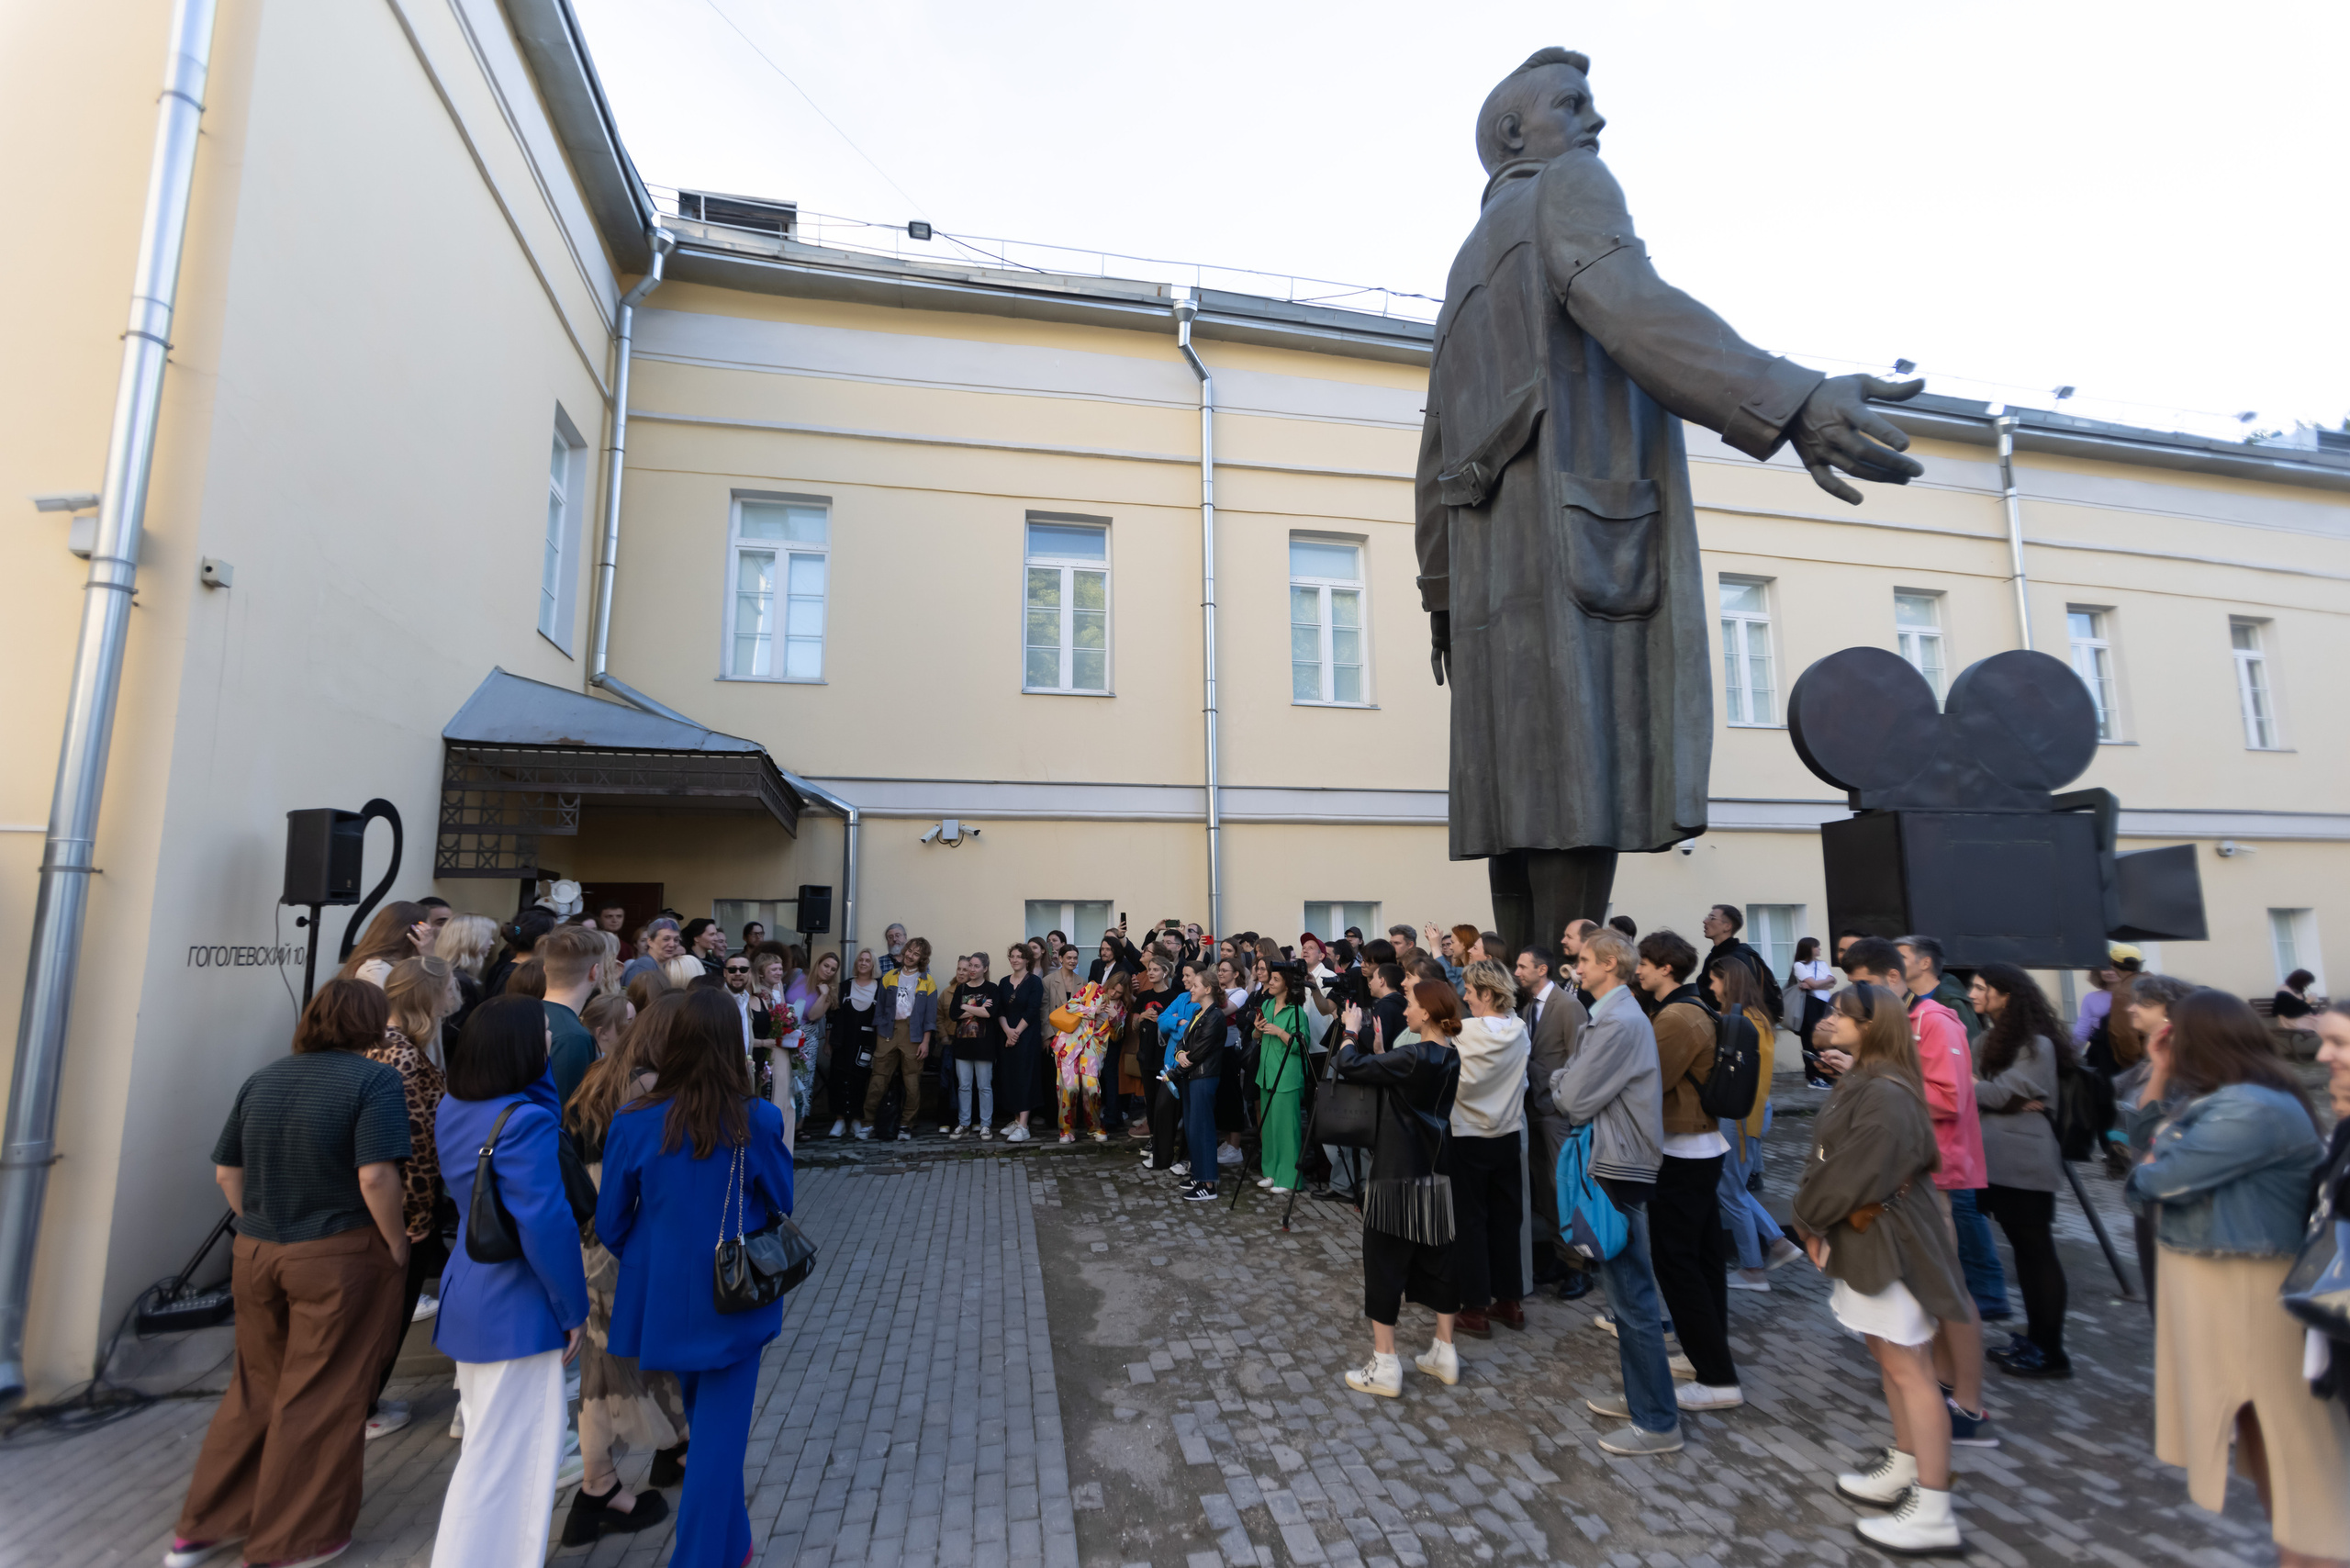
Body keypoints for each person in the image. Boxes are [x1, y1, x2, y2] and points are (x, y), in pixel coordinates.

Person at [164, 982, 410, 1568]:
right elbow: (375, 1175)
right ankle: (293, 1540)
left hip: (257, 1249)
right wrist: (396, 1242)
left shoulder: (265, 1077)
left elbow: (228, 1172)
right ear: (371, 1024)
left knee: (255, 1387)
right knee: (323, 1393)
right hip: (338, 1252)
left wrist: (261, 1224)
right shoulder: (374, 1080)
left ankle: (204, 1527)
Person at [2126, 991, 2347, 1565]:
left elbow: (2150, 1182)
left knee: (2296, 1452)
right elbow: (2136, 1158)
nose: (2327, 1057)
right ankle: (2294, 1553)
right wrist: (2160, 1073)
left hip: (2249, 1293)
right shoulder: (2225, 1098)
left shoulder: (2251, 1107)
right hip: (2227, 1291)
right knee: (2263, 1437)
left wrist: (2154, 1153)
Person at [598, 990, 796, 1568]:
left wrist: (658, 1257)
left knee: (706, 1426)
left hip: (662, 1296)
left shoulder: (633, 1120)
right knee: (716, 1443)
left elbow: (611, 1221)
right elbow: (782, 1197)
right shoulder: (754, 1117)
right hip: (734, 1292)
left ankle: (732, 1545)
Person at [1795, 982, 1975, 1556]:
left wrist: (1807, 1219)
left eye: (1840, 1014)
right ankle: (1905, 1464)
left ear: (1869, 1026)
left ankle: (1934, 1508)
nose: (1830, 1019)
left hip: (1886, 1238)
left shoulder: (1887, 1094)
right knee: (1888, 1358)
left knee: (1909, 1367)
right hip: (1867, 1235)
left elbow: (1855, 1173)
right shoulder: (1871, 1080)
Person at [429, 994, 591, 1568]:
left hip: (470, 1291)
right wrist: (573, 1308)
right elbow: (546, 1223)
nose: (551, 1039)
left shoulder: (458, 1104)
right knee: (510, 1457)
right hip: (516, 1303)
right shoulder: (524, 1122)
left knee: (491, 1443)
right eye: (542, 1033)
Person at [1842, 937, 1995, 1446]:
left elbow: (1949, 1096)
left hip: (1939, 1172)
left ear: (1891, 980)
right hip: (1912, 1172)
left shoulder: (1934, 1020)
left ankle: (1968, 1405)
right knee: (1932, 1291)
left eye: (1863, 983)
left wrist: (1869, 1078)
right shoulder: (1905, 1023)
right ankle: (1943, 1384)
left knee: (1950, 1288)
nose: (1855, 997)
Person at [560, 992, 686, 1548]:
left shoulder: (598, 1076)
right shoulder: (645, 1086)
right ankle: (598, 1487)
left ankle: (670, 1450)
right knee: (611, 1362)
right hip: (620, 1233)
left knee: (614, 1353)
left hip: (591, 1233)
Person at [1550, 929, 1680, 1456]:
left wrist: (1563, 1080)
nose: (1575, 968)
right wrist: (1568, 1078)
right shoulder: (1613, 1016)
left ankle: (1657, 1421)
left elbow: (1573, 1097)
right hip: (1614, 1159)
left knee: (1632, 1297)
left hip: (1618, 1165)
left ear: (1608, 963)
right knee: (1625, 1296)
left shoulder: (1618, 1021)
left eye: (1583, 960)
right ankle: (1643, 1400)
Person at [1632, 930, 1742, 1410]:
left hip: (1685, 1151)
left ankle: (1717, 1378)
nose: (1637, 970)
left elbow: (1647, 1081)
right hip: (1694, 1147)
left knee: (1678, 1263)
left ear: (1666, 969)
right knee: (1701, 1260)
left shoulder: (1677, 1016)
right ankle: (1706, 1355)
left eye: (1644, 964)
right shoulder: (1687, 1009)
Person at [1338, 980, 1465, 1396]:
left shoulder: (1414, 1055)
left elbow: (1349, 1066)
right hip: (1437, 1170)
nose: (1404, 1009)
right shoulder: (1448, 1054)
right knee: (1441, 1256)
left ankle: (1385, 1362)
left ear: (1426, 1012)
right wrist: (1381, 1051)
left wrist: (1350, 1032)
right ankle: (1445, 1351)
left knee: (1383, 1262)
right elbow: (1400, 1077)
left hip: (1397, 1173)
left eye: (1410, 1003)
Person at [361, 956, 456, 1439]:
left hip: (391, 1209)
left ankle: (366, 1399)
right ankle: (361, 1406)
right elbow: (413, 1147)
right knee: (385, 1317)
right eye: (447, 990)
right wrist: (416, 1218)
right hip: (401, 1213)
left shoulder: (386, 1045)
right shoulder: (401, 1055)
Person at [1967, 963, 2074, 1379]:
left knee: (2037, 1253)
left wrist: (1988, 1092)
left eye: (1981, 988)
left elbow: (1988, 1091)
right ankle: (2036, 1339)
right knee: (2023, 1254)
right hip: (1994, 1161)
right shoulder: (1985, 1040)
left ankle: (2051, 1352)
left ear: (2006, 995)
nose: (1973, 994)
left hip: (2026, 1163)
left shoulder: (2036, 1045)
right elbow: (1977, 1093)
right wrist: (1994, 1095)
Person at [1443, 960, 1531, 1338]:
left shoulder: (1464, 1032)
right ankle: (1509, 1301)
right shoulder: (1520, 1028)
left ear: (1488, 994)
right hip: (1508, 1133)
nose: (1464, 997)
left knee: (1471, 1222)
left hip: (1468, 1134)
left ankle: (1475, 1307)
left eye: (1469, 991)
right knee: (1506, 1220)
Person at [1712, 959, 1801, 1289]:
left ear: (1729, 983)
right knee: (1731, 1188)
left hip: (1739, 1117)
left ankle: (1753, 1269)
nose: (1710, 987)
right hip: (1752, 1113)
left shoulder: (1739, 1021)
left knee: (1730, 1191)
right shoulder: (1759, 1018)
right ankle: (1777, 1242)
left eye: (1714, 981)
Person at [1516, 942, 1589, 1298]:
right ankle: (1562, 1257)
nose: (1517, 973)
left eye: (1522, 967)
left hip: (1558, 1112)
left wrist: (1564, 1104)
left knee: (1564, 1188)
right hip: (1533, 1108)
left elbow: (1581, 1059)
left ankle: (1578, 1267)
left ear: (1541, 969)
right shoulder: (1529, 1006)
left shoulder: (1568, 1006)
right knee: (1545, 1190)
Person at [862, 938, 937, 1140]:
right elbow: (879, 1010)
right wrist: (879, 1032)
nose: (910, 955)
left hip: (913, 1034)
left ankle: (906, 1124)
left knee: (912, 1083)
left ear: (922, 958)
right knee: (878, 1080)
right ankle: (868, 1123)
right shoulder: (889, 977)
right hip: (887, 1032)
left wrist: (925, 1041)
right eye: (909, 951)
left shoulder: (927, 981)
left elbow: (931, 1017)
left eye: (916, 954)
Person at [1251, 964, 1310, 1193]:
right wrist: (1257, 1029)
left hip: (1286, 1076)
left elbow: (1301, 1044)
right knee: (1270, 1127)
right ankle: (1272, 1173)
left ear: (1287, 983)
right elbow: (1256, 1036)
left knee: (1287, 1130)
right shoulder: (1266, 1005)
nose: (1271, 982)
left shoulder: (1297, 1012)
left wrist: (1280, 1032)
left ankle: (1289, 1178)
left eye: (1275, 979)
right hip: (1266, 1074)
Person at [539, 924, 608, 1115]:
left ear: (546, 969)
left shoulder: (524, 1015)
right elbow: (566, 1117)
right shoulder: (573, 1037)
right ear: (594, 971)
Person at [1054, 969, 1129, 1142]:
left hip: (1093, 1050)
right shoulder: (1092, 988)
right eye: (1112, 989)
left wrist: (1114, 1020)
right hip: (1070, 1044)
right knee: (1069, 1087)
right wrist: (1092, 1010)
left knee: (1092, 1087)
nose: (1113, 994)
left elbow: (1117, 1037)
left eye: (1119, 992)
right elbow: (1070, 1005)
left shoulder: (1121, 1008)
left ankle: (1095, 1126)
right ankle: (1066, 1129)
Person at [1171, 965, 1226, 1199]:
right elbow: (1182, 1043)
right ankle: (1199, 1174)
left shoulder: (1215, 1016)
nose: (1191, 989)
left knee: (1202, 1128)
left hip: (1203, 1077)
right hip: (1191, 1076)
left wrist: (1182, 1063)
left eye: (1195, 986)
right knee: (1193, 1128)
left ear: (1208, 989)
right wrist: (1179, 1055)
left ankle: (1208, 1184)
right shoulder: (1197, 1014)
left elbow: (1200, 1051)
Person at [998, 943, 1048, 1143]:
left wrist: (1016, 1033)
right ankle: (1016, 1120)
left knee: (1025, 1078)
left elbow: (1032, 1009)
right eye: (1012, 956)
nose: (1015, 960)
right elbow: (999, 1009)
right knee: (1010, 1077)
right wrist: (1007, 1032)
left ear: (1027, 959)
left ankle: (1024, 1126)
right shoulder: (1003, 982)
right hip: (1006, 1034)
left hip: (1026, 1036)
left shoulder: (1035, 982)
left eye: (1019, 956)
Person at [949, 951, 1002, 1140]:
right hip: (962, 1045)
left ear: (985, 969)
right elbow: (953, 1014)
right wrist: (977, 1007)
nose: (972, 969)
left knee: (984, 1086)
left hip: (984, 1046)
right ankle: (964, 1123)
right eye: (970, 965)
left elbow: (990, 1014)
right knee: (963, 1086)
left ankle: (985, 1124)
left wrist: (964, 1006)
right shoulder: (961, 989)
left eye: (976, 966)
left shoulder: (992, 988)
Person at [1699, 904, 1784, 1023]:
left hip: (1737, 1028)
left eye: (1712, 918)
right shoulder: (1717, 955)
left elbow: (1738, 999)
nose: (1705, 921)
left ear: (1727, 926)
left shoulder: (1736, 958)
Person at [829, 950, 880, 1138]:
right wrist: (829, 1042)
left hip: (867, 1043)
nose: (864, 963)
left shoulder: (880, 987)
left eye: (868, 960)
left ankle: (858, 1119)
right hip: (843, 1041)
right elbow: (832, 1016)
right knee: (839, 1079)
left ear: (873, 964)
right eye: (861, 959)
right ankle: (840, 1120)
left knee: (860, 1080)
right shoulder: (844, 986)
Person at [434, 912, 499, 1055]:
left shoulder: (451, 975)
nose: (492, 943)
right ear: (472, 940)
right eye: (488, 938)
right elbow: (453, 1034)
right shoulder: (459, 981)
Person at [1898, 934, 1981, 1039]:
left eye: (1901, 957)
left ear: (1925, 963)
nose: (1894, 963)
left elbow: (1969, 1048)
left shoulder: (1953, 1003)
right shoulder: (1899, 1001)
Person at [338, 901, 433, 988]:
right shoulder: (377, 971)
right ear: (414, 932)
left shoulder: (402, 965)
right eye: (427, 932)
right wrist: (429, 958)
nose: (431, 937)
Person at [1788, 935, 1836, 1085]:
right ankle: (1814, 1077)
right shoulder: (1799, 965)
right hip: (1810, 1004)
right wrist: (1822, 983)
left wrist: (1816, 984)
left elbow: (1832, 982)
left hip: (1825, 1004)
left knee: (1826, 1039)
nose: (1819, 949)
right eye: (1817, 946)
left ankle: (1827, 1075)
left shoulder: (1821, 964)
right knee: (1810, 1040)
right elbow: (1816, 984)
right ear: (1809, 948)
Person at [485, 908, 557, 997]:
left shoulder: (519, 969)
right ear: (542, 941)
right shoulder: (514, 975)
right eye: (553, 934)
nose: (556, 940)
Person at [621, 918, 683, 986]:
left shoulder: (666, 966)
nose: (672, 944)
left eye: (676, 940)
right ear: (650, 942)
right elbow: (634, 996)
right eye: (666, 939)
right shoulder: (642, 966)